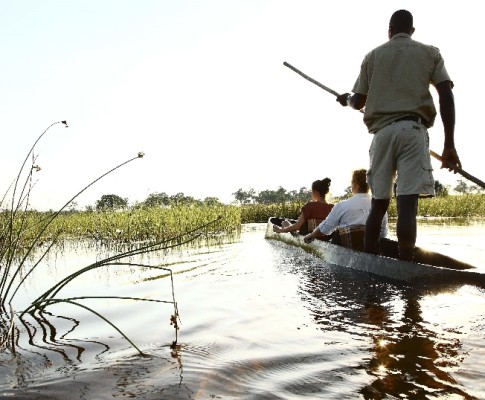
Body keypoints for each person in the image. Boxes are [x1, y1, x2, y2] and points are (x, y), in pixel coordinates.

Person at [335, 9, 461, 261]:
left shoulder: (372, 56)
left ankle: (369, 262)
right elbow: (446, 95)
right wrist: (449, 144)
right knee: (407, 205)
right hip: (413, 131)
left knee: (379, 204)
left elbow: (358, 100)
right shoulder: (430, 52)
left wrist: (346, 100)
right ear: (412, 31)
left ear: (389, 30)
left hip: (382, 135)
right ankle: (405, 264)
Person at [303, 169, 388, 247]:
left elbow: (326, 229)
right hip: (371, 250)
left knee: (337, 232)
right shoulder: (379, 207)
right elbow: (383, 234)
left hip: (348, 250)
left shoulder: (342, 206)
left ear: (356, 185)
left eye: (352, 183)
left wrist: (311, 235)